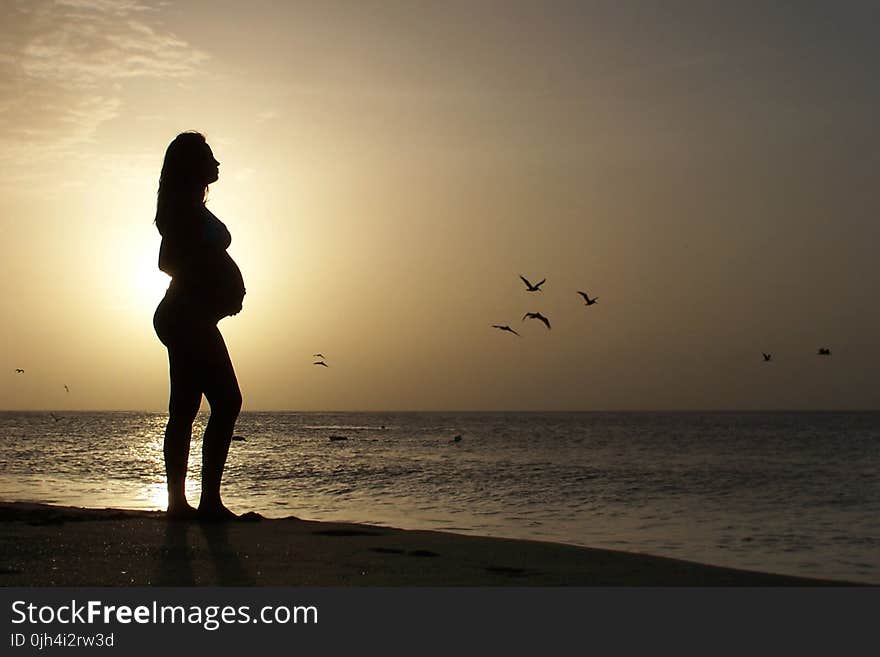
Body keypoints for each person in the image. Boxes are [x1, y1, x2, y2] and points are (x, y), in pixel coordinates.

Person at [152, 131, 248, 521]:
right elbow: (168, 261)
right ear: (193, 165)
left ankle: (184, 503)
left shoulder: (192, 206)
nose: (217, 163)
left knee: (186, 407)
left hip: (191, 315)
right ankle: (203, 502)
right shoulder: (181, 211)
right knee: (227, 400)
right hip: (186, 315)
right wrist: (211, 282)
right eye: (210, 156)